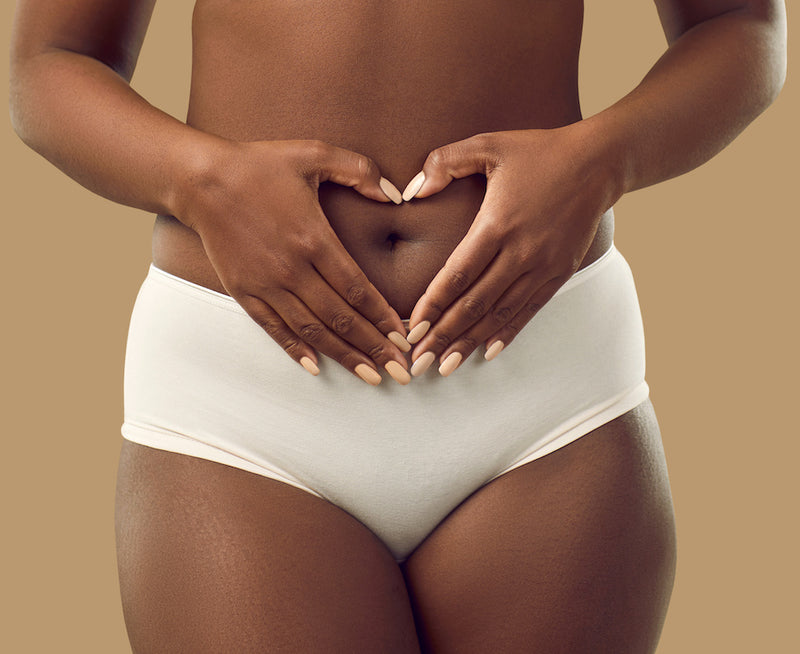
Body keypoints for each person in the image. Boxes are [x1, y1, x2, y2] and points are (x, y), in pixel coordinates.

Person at [8, 0, 786, 652]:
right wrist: (199, 181)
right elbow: (48, 63)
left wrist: (602, 161)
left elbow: (743, 27)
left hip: (542, 393)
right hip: (246, 402)